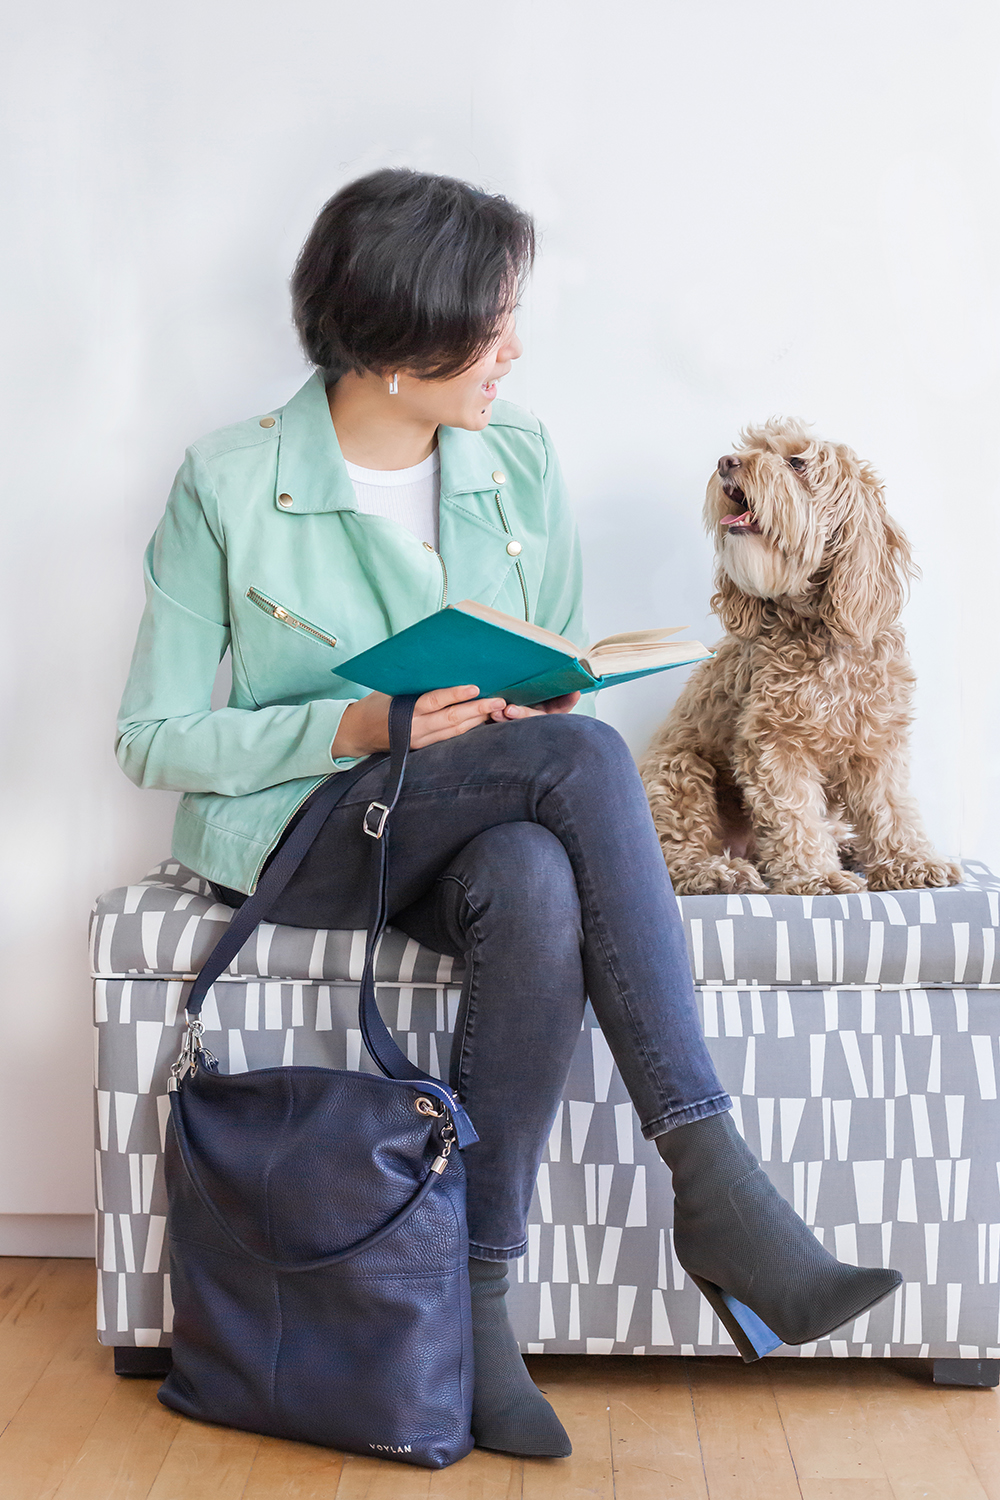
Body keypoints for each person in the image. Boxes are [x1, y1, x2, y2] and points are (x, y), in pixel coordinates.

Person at [116, 168, 901, 1459]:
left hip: (477, 825)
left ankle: (476, 1316)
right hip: (316, 834)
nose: (514, 350)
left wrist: (533, 714)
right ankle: (718, 1191)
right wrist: (358, 726)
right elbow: (151, 739)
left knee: (542, 864)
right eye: (488, 325)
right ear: (390, 340)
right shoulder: (226, 483)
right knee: (587, 770)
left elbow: (558, 668)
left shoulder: (517, 452)